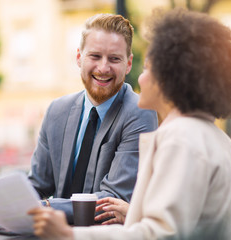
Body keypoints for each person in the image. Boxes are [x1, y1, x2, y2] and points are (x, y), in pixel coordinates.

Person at [28, 8, 231, 240]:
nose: (140, 78)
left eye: (148, 68)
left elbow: (161, 235)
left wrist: (67, 235)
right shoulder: (212, 138)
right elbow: (186, 224)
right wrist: (133, 215)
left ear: (169, 79)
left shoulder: (181, 138)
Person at [28, 13, 158, 223]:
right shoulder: (56, 111)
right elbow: (37, 185)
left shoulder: (140, 112)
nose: (103, 68)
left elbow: (112, 201)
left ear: (128, 63)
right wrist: (8, 202)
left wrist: (47, 206)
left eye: (114, 58)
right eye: (95, 56)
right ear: (79, 57)